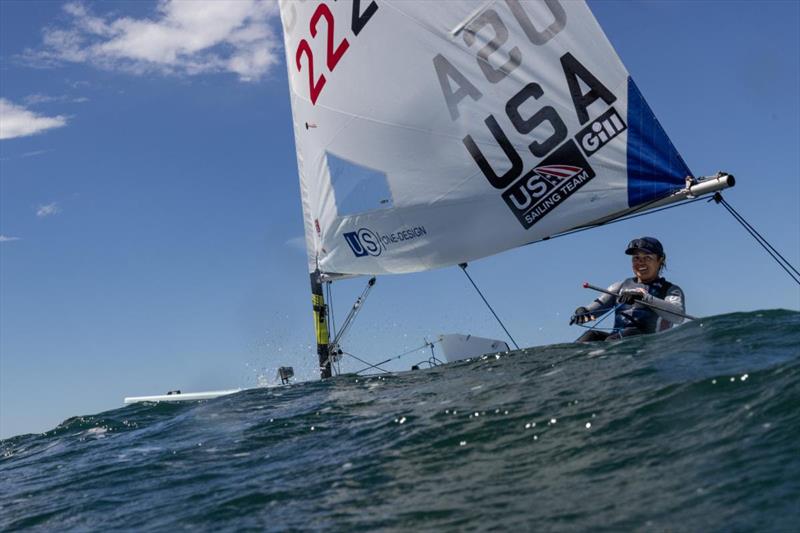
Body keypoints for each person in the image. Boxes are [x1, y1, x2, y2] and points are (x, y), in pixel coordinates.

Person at [570, 236, 686, 342]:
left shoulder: (671, 290)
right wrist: (582, 312)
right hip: (617, 341)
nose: (641, 262)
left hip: (650, 345)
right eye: (636, 258)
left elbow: (679, 317)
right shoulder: (619, 286)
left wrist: (645, 298)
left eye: (647, 258)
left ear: (660, 260)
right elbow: (592, 310)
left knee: (629, 333)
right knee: (590, 335)